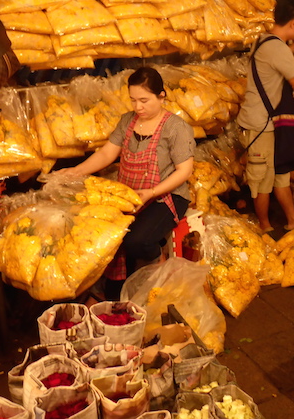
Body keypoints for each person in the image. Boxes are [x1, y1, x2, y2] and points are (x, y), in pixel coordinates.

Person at [59, 66, 195, 299]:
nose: (138, 107)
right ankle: (116, 291)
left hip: (167, 195)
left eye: (144, 100)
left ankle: (157, 262)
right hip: (130, 194)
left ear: (161, 96)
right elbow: (106, 155)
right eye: (133, 100)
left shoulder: (175, 127)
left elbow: (184, 171)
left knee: (137, 241)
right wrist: (74, 172)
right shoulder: (127, 122)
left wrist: (151, 192)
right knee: (104, 236)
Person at [237, 0, 294, 232]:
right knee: (262, 181)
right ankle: (265, 227)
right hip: (261, 125)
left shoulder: (263, 41)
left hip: (268, 122)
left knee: (279, 175)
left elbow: (281, 60)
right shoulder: (277, 49)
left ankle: (292, 220)